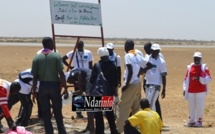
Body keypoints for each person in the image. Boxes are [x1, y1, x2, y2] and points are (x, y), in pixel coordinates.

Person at [31, 37, 68, 134]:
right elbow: (61, 74)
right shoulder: (56, 56)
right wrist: (65, 88)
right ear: (50, 44)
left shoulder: (37, 58)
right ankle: (62, 132)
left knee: (46, 113)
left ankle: (49, 132)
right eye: (53, 42)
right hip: (54, 87)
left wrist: (34, 92)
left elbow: (35, 77)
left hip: (42, 87)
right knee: (57, 112)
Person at [116, 39, 152, 133]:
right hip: (137, 83)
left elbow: (130, 70)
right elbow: (150, 65)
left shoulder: (128, 55)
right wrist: (140, 72)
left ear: (126, 47)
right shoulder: (138, 56)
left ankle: (118, 130)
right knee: (135, 107)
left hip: (131, 84)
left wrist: (126, 84)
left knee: (123, 108)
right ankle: (134, 129)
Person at [89, 47, 119, 134]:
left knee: (98, 115)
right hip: (109, 93)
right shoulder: (113, 65)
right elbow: (115, 82)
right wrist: (116, 94)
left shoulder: (97, 65)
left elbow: (91, 80)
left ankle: (100, 132)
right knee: (109, 113)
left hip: (98, 93)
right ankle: (113, 130)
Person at [62, 40, 93, 118]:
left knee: (88, 92)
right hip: (77, 76)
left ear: (83, 45)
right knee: (78, 93)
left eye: (80, 46)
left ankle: (91, 112)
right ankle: (79, 113)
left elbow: (90, 65)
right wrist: (70, 67)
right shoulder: (73, 53)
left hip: (86, 76)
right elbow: (63, 59)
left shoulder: (88, 53)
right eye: (78, 46)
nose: (79, 48)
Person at [183, 52, 212, 127]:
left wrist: (200, 78)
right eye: (195, 58)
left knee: (200, 106)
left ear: (200, 59)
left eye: (198, 58)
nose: (196, 60)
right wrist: (184, 89)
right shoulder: (190, 67)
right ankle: (192, 120)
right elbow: (186, 79)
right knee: (191, 106)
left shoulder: (204, 68)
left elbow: (209, 78)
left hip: (200, 91)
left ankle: (199, 120)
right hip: (191, 90)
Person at [65, 68, 95, 134]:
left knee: (89, 106)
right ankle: (89, 127)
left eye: (69, 81)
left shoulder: (72, 74)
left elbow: (79, 74)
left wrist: (79, 87)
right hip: (90, 79)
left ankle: (92, 130)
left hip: (90, 79)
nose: (70, 83)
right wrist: (70, 94)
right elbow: (80, 91)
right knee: (89, 106)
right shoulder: (75, 77)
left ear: (69, 77)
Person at [143, 42, 164, 120]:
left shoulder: (160, 57)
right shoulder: (147, 57)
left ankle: (157, 119)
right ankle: (156, 119)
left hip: (156, 83)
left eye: (147, 50)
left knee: (154, 101)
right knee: (152, 101)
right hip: (148, 82)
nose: (146, 52)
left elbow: (162, 70)